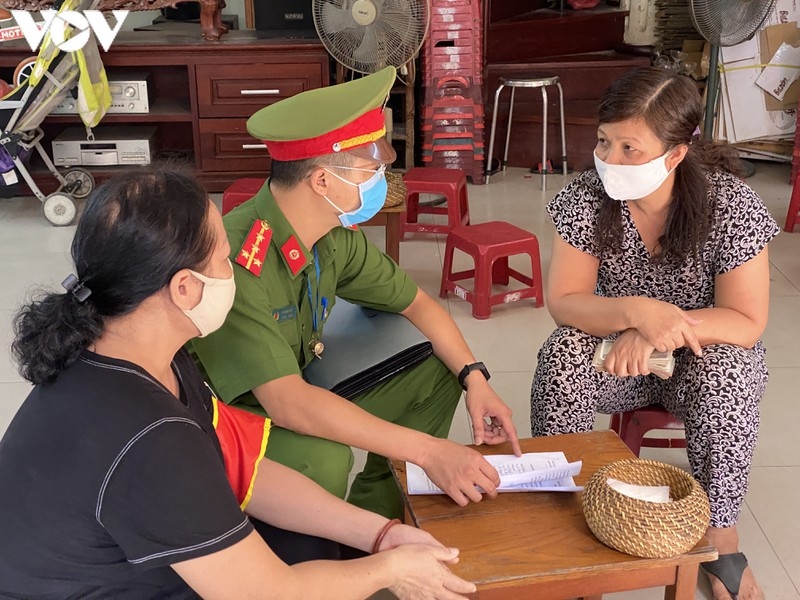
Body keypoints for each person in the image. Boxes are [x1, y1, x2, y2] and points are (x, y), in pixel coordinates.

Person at [0, 167, 477, 600]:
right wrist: (388, 571)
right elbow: (266, 593)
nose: (235, 273)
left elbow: (247, 470)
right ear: (184, 288)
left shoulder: (140, 354)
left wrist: (380, 536)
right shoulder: (147, 436)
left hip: (122, 557)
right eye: (225, 260)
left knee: (311, 540)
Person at [191, 66, 522, 521]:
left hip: (296, 383)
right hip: (226, 413)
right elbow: (287, 403)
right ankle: (302, 562)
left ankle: (380, 522)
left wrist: (476, 378)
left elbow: (419, 304)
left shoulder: (330, 233)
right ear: (322, 180)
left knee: (438, 376)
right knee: (322, 460)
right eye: (371, 171)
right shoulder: (238, 260)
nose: (381, 182)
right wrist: (430, 452)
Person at [530, 67, 777, 600]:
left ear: (674, 154)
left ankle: (721, 537)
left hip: (698, 359)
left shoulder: (730, 206)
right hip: (617, 358)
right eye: (603, 141)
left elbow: (746, 319)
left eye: (629, 148)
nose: (609, 160)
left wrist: (661, 331)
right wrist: (638, 313)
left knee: (732, 370)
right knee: (562, 355)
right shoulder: (585, 199)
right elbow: (566, 304)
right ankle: (565, 506)